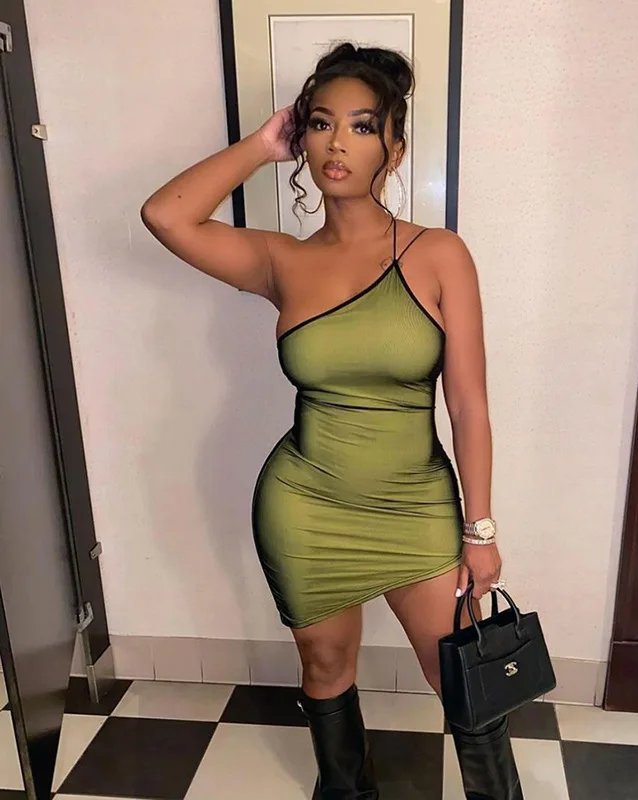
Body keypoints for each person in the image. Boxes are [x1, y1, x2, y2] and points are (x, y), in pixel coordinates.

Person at [142, 42, 522, 800]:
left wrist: (479, 529)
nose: (337, 142)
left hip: (414, 502)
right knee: (324, 666)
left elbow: (469, 403)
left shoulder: (439, 254)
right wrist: (262, 144)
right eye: (320, 124)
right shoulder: (282, 261)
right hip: (307, 502)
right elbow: (165, 215)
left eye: (361, 125)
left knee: (462, 679)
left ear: (394, 148)